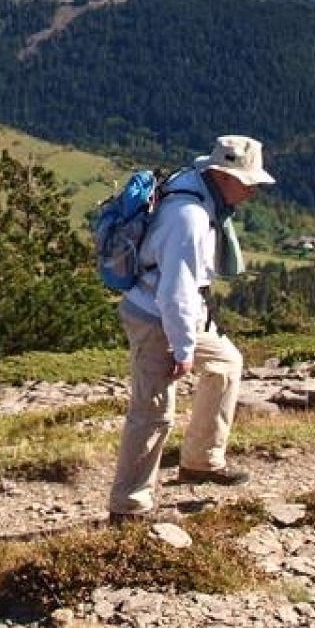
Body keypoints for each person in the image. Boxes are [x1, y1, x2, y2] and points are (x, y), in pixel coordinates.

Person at [108, 134, 272, 522]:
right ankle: (129, 508)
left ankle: (201, 460)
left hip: (174, 310)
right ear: (223, 175)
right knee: (152, 412)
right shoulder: (191, 218)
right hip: (156, 317)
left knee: (226, 363)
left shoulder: (193, 187)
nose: (252, 192)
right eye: (248, 183)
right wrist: (182, 351)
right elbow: (175, 292)